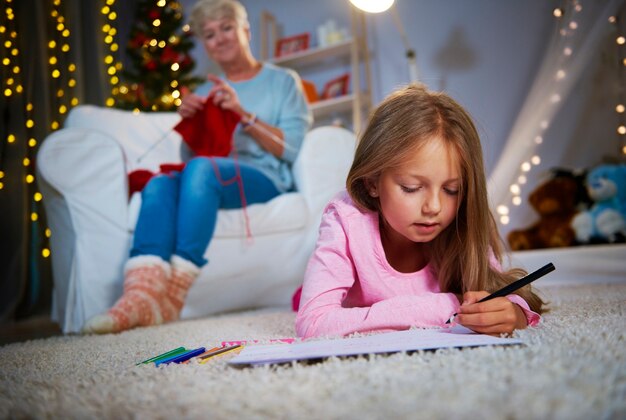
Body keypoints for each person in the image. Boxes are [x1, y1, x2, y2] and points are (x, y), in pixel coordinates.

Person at [83, 0, 312, 334]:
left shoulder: (283, 81)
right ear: (204, 45)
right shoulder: (204, 91)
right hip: (211, 176)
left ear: (245, 30)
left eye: (226, 28)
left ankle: (173, 293)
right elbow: (192, 162)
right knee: (159, 183)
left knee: (203, 170)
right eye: (209, 34)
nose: (219, 38)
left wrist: (242, 113)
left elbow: (290, 149)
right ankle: (138, 297)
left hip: (267, 178)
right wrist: (191, 123)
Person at [295, 83, 546, 339]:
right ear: (372, 182)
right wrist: (451, 303)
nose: (434, 207)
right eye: (412, 188)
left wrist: (514, 313)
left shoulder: (462, 221)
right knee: (302, 297)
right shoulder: (345, 219)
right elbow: (314, 324)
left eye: (452, 190)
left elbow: (506, 293)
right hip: (340, 286)